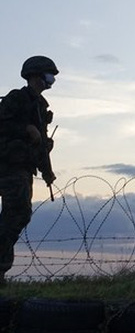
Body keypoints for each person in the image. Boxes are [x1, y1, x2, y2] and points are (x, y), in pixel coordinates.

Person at [0, 55, 58, 284]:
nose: (51, 81)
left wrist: (47, 171)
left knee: (18, 215)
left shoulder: (40, 106)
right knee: (17, 213)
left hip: (23, 167)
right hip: (8, 164)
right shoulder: (16, 98)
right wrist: (25, 128)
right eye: (49, 76)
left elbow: (40, 144)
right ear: (36, 76)